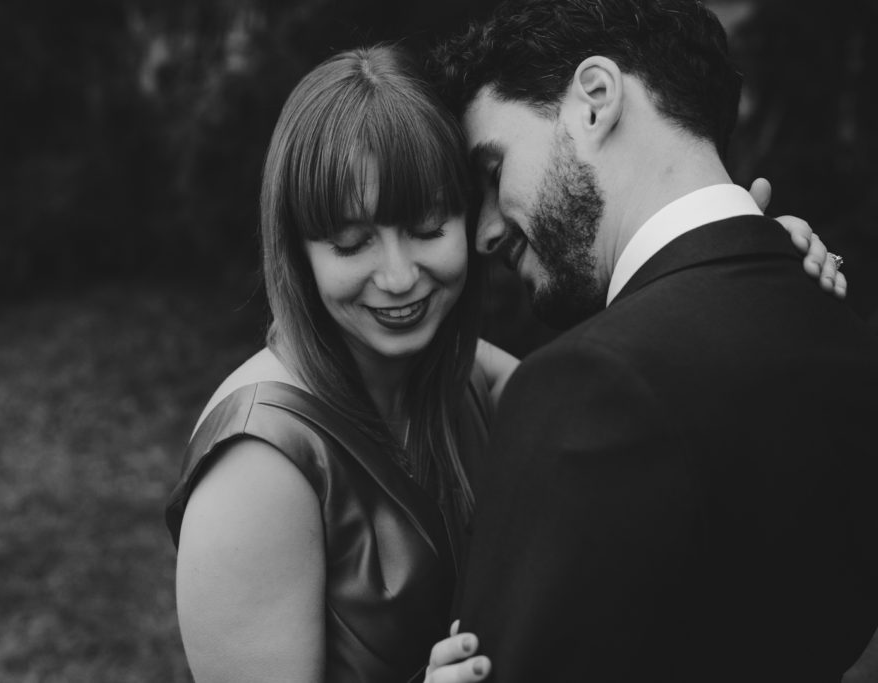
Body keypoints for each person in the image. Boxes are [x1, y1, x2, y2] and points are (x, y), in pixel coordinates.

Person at [164, 44, 839, 683]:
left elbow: (645, 426)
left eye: (429, 228)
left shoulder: (474, 379)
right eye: (351, 242)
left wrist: (741, 275)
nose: (398, 276)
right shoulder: (257, 466)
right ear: (299, 252)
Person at [430, 1, 878, 681]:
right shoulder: (838, 324)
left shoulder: (588, 383)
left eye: (492, 174)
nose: (485, 233)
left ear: (597, 100)